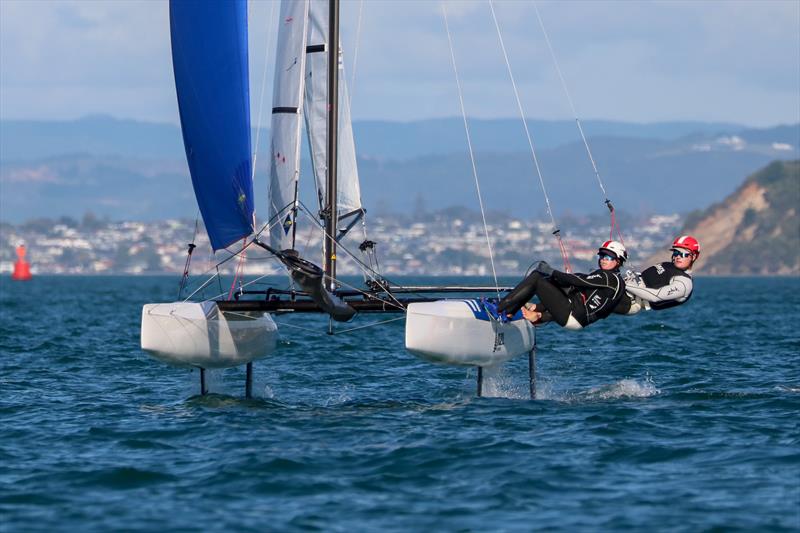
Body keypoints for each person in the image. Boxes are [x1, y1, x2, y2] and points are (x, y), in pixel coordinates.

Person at [492, 240, 627, 330]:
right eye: (602, 256)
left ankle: (500, 309)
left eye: (608, 257)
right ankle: (534, 312)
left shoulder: (608, 277)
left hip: (573, 314)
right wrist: (555, 277)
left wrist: (551, 271)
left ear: (618, 261)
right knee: (554, 281)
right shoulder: (617, 281)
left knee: (537, 277)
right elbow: (580, 282)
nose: (603, 260)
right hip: (578, 317)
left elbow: (578, 281)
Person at [615, 235, 699, 315]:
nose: (678, 257)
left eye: (683, 254)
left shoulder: (684, 283)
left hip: (632, 301)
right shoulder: (668, 265)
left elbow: (655, 296)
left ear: (694, 257)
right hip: (626, 286)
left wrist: (623, 285)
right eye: (676, 253)